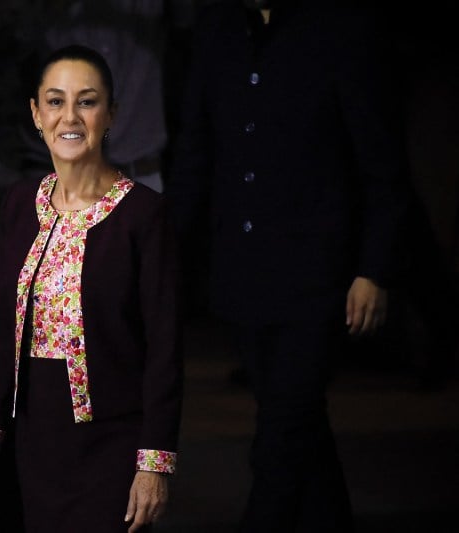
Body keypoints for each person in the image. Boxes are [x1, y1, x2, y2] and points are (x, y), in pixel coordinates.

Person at [167, 1, 410, 531]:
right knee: (300, 427)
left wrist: (375, 269)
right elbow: (196, 149)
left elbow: (383, 161)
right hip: (242, 269)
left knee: (279, 436)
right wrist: (166, 253)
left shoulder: (343, 28)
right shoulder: (217, 27)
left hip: (322, 276)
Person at [0, 44, 184, 533]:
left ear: (111, 114)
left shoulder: (144, 214)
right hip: (35, 440)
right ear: (36, 115)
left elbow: (165, 348)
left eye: (87, 100)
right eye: (56, 101)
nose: (70, 116)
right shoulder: (20, 205)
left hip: (114, 442)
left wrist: (154, 462)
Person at [14, 0, 194, 193]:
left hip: (139, 176)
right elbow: (14, 42)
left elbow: (188, 19)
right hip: (60, 178)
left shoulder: (147, 8)